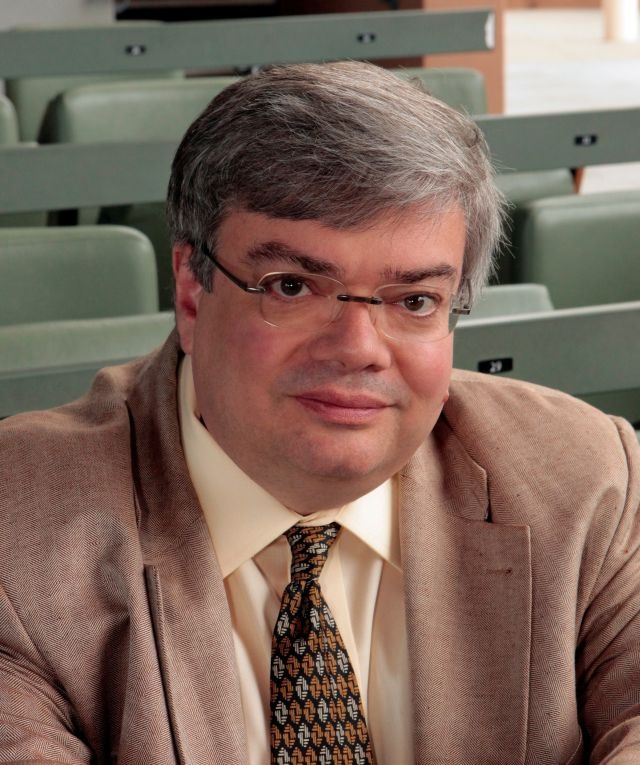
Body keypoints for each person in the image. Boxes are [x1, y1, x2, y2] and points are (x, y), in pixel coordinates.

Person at [1, 61, 639, 765]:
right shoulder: (16, 533)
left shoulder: (589, 480)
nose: (358, 348)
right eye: (293, 286)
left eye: (415, 300)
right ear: (190, 293)